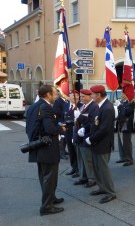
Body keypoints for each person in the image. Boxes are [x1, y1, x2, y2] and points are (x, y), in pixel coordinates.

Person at [26, 85, 66, 216]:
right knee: (50, 177)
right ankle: (47, 207)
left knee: (44, 176)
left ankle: (51, 198)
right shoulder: (47, 107)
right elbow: (50, 129)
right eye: (55, 93)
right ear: (48, 94)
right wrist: (61, 129)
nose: (57, 95)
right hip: (47, 147)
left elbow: (29, 128)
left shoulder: (33, 106)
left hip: (38, 145)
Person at [85, 85, 116, 204]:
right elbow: (94, 123)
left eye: (92, 94)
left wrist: (91, 139)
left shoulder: (107, 108)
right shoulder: (100, 106)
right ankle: (102, 187)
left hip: (102, 143)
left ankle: (110, 192)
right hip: (96, 142)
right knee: (97, 168)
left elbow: (104, 129)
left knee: (103, 169)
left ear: (98, 95)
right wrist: (86, 131)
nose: (91, 96)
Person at [73, 89, 98, 188]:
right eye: (81, 96)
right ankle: (83, 177)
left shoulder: (94, 107)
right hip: (79, 136)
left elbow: (92, 121)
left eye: (83, 96)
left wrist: (81, 120)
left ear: (90, 96)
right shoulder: (81, 106)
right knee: (81, 158)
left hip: (86, 135)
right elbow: (77, 121)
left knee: (88, 159)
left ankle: (92, 178)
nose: (81, 98)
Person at [64, 90, 81, 178]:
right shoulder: (66, 105)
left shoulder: (81, 106)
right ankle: (74, 167)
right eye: (72, 95)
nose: (75, 97)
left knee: (77, 151)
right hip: (68, 132)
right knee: (71, 151)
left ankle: (79, 169)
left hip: (76, 133)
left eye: (77, 96)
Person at [116, 94, 135, 166]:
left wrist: (120, 106)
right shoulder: (123, 102)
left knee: (127, 143)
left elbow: (126, 112)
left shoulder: (131, 103)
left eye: (124, 94)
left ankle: (129, 159)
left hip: (126, 124)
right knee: (120, 142)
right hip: (121, 124)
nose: (122, 95)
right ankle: (123, 157)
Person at [53, 90, 68, 160]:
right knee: (62, 138)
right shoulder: (58, 101)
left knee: (65, 137)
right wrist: (65, 113)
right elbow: (55, 111)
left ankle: (64, 150)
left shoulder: (66, 101)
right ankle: (61, 153)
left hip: (65, 121)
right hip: (60, 121)